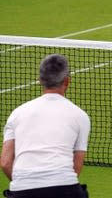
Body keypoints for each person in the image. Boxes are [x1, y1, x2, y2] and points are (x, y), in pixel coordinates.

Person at [1, 54, 91, 198]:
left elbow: (5, 163)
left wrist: (25, 185)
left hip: (22, 189)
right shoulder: (80, 116)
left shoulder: (17, 113)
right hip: (65, 188)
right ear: (67, 81)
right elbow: (77, 165)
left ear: (40, 80)